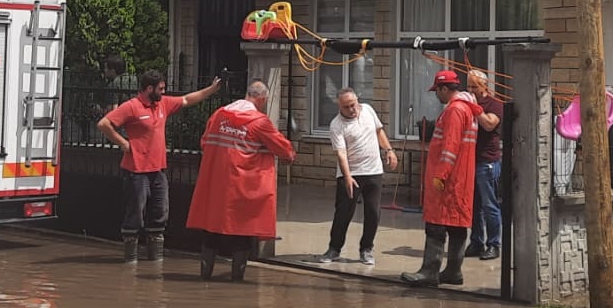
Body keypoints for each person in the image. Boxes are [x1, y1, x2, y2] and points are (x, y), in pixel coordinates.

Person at [98, 71, 222, 263]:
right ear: (149, 89)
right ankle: (130, 259)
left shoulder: (162, 104)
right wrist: (123, 143)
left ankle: (155, 260)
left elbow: (187, 100)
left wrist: (211, 90)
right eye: (161, 89)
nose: (163, 92)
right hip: (136, 171)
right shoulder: (132, 107)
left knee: (160, 213)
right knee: (135, 215)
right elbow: (104, 123)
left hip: (158, 170)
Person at [187, 80, 296, 283]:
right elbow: (283, 148)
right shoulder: (259, 122)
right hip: (243, 185)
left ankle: (205, 277)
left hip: (216, 184)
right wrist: (289, 155)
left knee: (212, 230)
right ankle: (237, 281)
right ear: (262, 99)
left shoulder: (219, 115)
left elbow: (204, 142)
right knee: (243, 232)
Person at [401, 70, 481, 288]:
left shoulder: (455, 110)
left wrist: (440, 175)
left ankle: (430, 272)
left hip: (448, 179)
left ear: (444, 89)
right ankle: (453, 272)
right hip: (460, 179)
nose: (436, 95)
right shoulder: (468, 108)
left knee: (436, 226)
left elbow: (450, 146)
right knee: (456, 226)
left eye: (437, 90)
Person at [319, 88, 397, 267]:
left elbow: (379, 131)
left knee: (373, 212)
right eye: (346, 107)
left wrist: (389, 150)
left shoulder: (368, 110)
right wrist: (347, 177)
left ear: (357, 101)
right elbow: (341, 153)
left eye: (353, 105)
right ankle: (334, 248)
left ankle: (366, 249)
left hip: (373, 171)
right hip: (351, 173)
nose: (352, 109)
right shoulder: (336, 125)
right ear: (340, 106)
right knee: (343, 213)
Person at [463, 69, 508, 261]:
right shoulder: (468, 101)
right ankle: (476, 242)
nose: (471, 90)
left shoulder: (495, 103)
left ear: (485, 86)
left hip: (487, 160)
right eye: (469, 86)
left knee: (490, 204)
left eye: (475, 86)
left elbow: (489, 124)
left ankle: (494, 244)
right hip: (470, 160)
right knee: (474, 206)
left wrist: (476, 109)